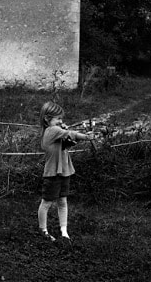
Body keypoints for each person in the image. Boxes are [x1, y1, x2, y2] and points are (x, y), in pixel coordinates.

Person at [37, 101, 93, 242]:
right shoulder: (52, 131)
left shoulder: (57, 131)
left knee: (62, 201)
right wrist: (86, 137)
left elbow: (68, 143)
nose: (61, 121)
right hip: (53, 173)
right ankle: (43, 230)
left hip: (64, 171)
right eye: (58, 119)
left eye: (62, 119)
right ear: (47, 119)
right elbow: (72, 133)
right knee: (46, 202)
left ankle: (64, 231)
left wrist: (70, 136)